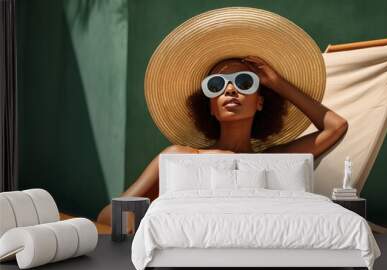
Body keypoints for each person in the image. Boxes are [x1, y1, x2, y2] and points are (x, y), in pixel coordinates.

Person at [96, 55, 348, 227]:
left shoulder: (277, 161)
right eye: (217, 85)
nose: (230, 90)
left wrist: (279, 84)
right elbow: (109, 216)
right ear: (211, 107)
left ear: (260, 101)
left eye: (245, 82)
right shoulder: (181, 157)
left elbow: (336, 126)